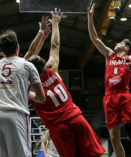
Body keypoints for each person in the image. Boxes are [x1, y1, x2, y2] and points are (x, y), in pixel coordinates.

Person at [28, 9, 105, 157]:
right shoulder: (52, 69)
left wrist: (40, 35)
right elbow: (55, 46)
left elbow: (29, 55)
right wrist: (56, 24)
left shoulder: (29, 86)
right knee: (95, 154)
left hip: (58, 127)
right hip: (76, 117)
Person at [87, 3, 131, 157]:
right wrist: (90, 18)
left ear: (126, 48)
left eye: (121, 43)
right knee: (113, 137)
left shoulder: (128, 57)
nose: (116, 44)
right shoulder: (109, 55)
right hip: (109, 97)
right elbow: (94, 38)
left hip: (123, 96)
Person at [0, 29, 46, 157]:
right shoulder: (27, 65)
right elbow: (41, 98)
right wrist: (28, 93)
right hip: (14, 114)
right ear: (17, 47)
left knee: (1, 154)